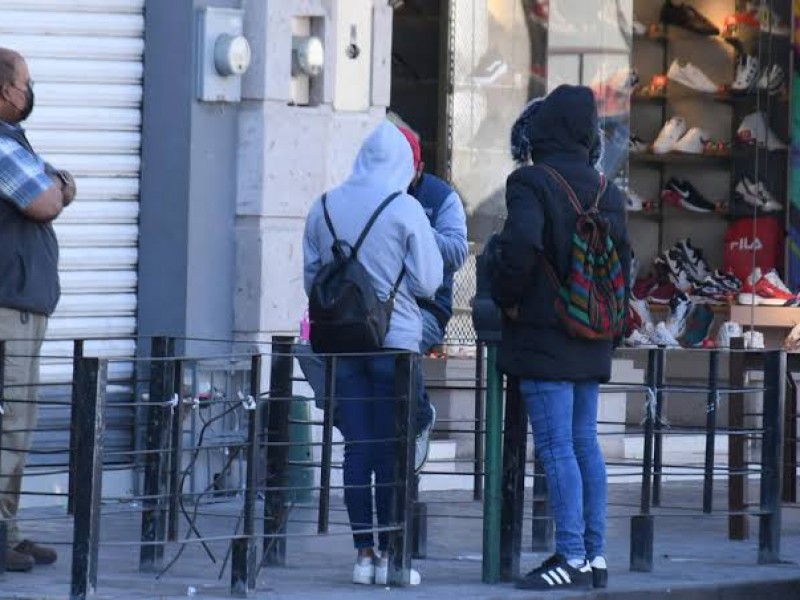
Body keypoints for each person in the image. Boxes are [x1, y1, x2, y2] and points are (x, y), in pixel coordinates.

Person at [490, 85, 631, 591]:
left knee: (554, 446)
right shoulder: (606, 190)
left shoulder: (531, 181)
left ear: (544, 128)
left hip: (546, 334)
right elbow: (625, 267)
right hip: (591, 331)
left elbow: (522, 244)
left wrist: (506, 292)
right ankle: (594, 556)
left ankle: (568, 555)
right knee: (583, 444)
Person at [303, 120, 442, 586]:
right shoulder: (404, 209)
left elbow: (312, 280)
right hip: (396, 346)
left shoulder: (322, 206)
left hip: (342, 348)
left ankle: (363, 555)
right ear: (403, 164)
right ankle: (394, 556)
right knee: (395, 451)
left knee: (358, 450)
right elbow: (429, 281)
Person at [0, 48, 76, 572]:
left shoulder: (14, 144)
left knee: (19, 424)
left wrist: (58, 184)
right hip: (7, 310)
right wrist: (62, 188)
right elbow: (46, 198)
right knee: (6, 424)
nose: (31, 91)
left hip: (23, 307)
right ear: (6, 90)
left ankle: (9, 528)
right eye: (27, 82)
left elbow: (53, 183)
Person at [396, 126, 468, 470]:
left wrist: (417, 231)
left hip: (426, 305)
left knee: (401, 342)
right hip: (380, 302)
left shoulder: (441, 197)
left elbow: (456, 252)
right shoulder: (379, 193)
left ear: (419, 168)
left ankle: (420, 415)